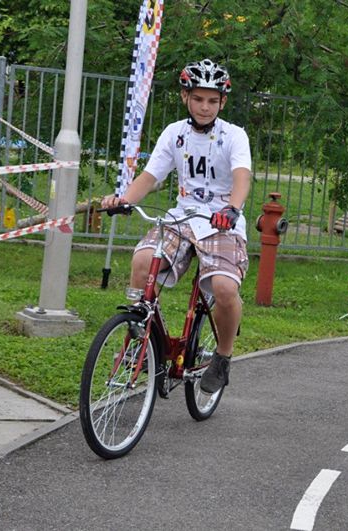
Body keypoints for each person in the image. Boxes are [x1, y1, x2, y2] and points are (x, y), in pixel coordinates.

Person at [101, 58, 252, 395]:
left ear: (222, 102)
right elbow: (152, 176)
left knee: (225, 289)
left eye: (213, 100)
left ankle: (223, 358)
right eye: (198, 98)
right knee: (142, 263)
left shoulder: (234, 136)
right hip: (183, 217)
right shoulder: (175, 134)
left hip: (221, 221)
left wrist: (232, 208)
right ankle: (138, 341)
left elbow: (243, 176)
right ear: (186, 97)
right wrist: (124, 199)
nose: (205, 107)